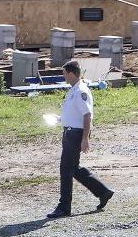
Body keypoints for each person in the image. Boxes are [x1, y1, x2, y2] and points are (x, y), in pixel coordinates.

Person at [47, 59, 113, 219]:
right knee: (73, 169)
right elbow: (74, 114)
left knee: (66, 170)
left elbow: (87, 115)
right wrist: (60, 119)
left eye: (64, 74)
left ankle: (64, 207)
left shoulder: (81, 91)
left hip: (75, 134)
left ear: (71, 73)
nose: (64, 77)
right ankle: (103, 191)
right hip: (69, 132)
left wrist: (85, 138)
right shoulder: (74, 90)